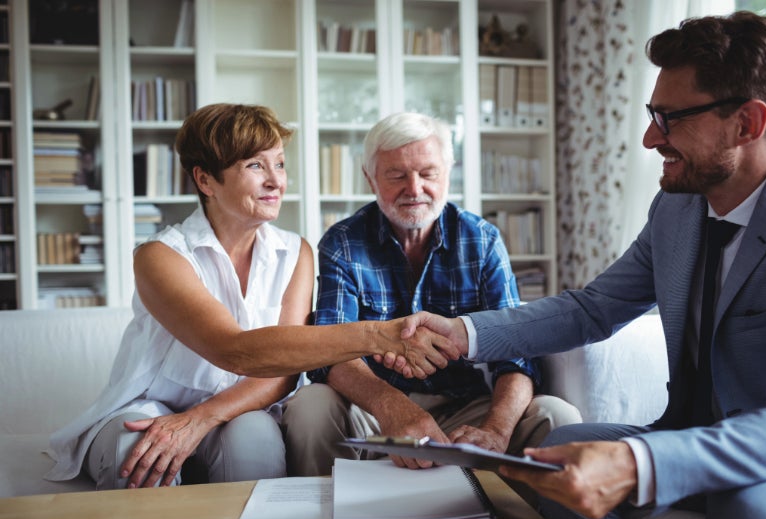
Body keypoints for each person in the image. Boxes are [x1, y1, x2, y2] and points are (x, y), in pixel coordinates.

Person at [390, 11, 766, 519]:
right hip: (685, 431)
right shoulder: (677, 209)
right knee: (559, 449)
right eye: (654, 114)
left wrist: (639, 463)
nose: (652, 139)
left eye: (672, 118)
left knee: (750, 509)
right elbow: (593, 308)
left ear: (748, 122)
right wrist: (462, 333)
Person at [44, 104, 458, 491]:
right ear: (205, 180)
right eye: (255, 166)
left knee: (257, 440)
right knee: (136, 451)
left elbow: (280, 372)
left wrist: (200, 420)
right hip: (150, 406)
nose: (276, 180)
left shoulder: (295, 252)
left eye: (279, 164)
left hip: (238, 407)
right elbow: (236, 351)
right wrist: (379, 335)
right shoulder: (160, 256)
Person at [282, 111, 581, 481]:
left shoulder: (482, 239)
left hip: (466, 409)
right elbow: (330, 354)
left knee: (557, 416)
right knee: (311, 405)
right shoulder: (342, 242)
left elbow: (515, 355)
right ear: (370, 178)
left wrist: (496, 431)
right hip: (373, 408)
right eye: (396, 175)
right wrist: (395, 408)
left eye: (428, 173)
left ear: (448, 172)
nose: (414, 188)